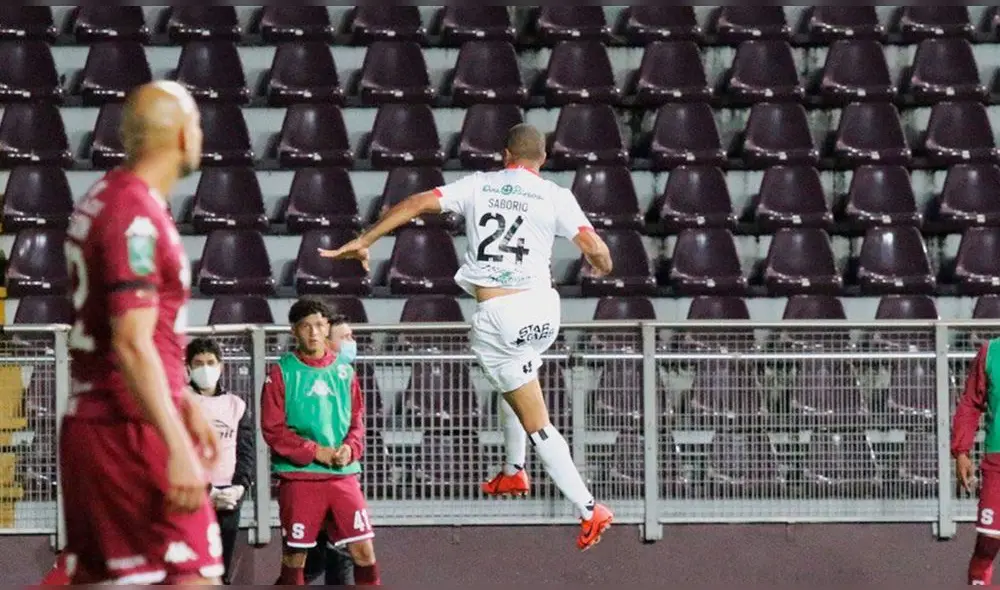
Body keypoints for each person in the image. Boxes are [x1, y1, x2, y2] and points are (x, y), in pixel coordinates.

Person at [319, 123, 615, 550]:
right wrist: (603, 266)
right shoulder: (556, 195)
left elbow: (416, 203)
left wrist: (365, 240)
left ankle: (589, 508)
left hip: (500, 315)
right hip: (544, 311)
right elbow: (595, 248)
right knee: (516, 380)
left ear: (503, 155)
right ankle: (514, 469)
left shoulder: (479, 185)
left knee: (537, 420)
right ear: (542, 160)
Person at [58, 80, 223, 585]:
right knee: (195, 577)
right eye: (195, 123)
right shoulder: (137, 216)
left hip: (96, 423)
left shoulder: (106, 197)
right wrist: (175, 444)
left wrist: (183, 398)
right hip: (129, 430)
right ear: (176, 135)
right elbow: (131, 341)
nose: (199, 135)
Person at [261, 300, 380, 585]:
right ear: (294, 331)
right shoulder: (281, 373)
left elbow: (357, 422)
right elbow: (273, 429)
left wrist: (350, 448)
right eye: (305, 326)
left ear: (327, 327)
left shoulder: (345, 372)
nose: (313, 332)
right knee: (295, 557)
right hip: (300, 478)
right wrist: (316, 452)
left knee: (364, 552)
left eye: (319, 325)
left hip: (343, 477)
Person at [186, 337, 255, 585]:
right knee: (192, 570)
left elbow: (246, 452)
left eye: (210, 362)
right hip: (191, 494)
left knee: (220, 572)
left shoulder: (236, 405)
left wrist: (240, 488)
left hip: (228, 497)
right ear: (188, 368)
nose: (205, 368)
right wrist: (207, 491)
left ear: (220, 366)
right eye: (198, 363)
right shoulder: (179, 402)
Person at [953, 337, 1000, 584]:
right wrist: (961, 451)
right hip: (997, 459)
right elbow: (970, 403)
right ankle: (978, 581)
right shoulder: (991, 352)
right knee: (989, 541)